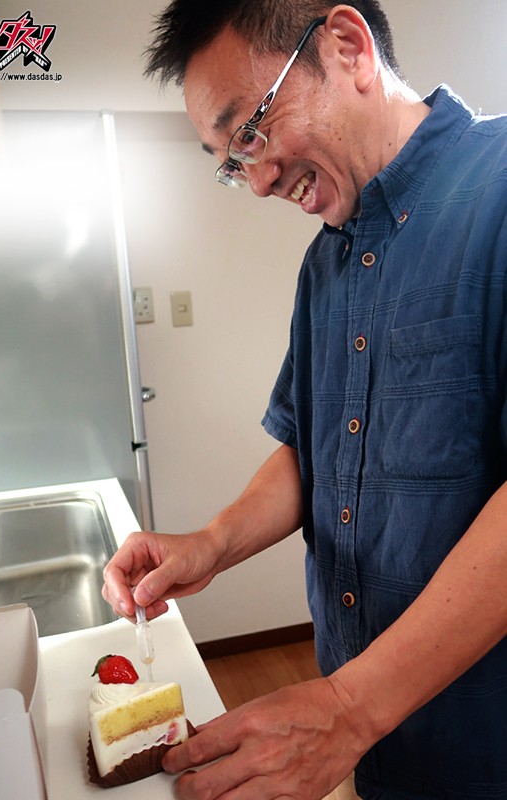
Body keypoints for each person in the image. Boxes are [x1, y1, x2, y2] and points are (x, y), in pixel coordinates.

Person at [102, 1, 507, 798]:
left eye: (250, 130)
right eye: (230, 161)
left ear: (347, 46)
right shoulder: (325, 267)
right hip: (380, 750)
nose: (256, 182)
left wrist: (351, 707)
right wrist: (210, 543)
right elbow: (309, 447)